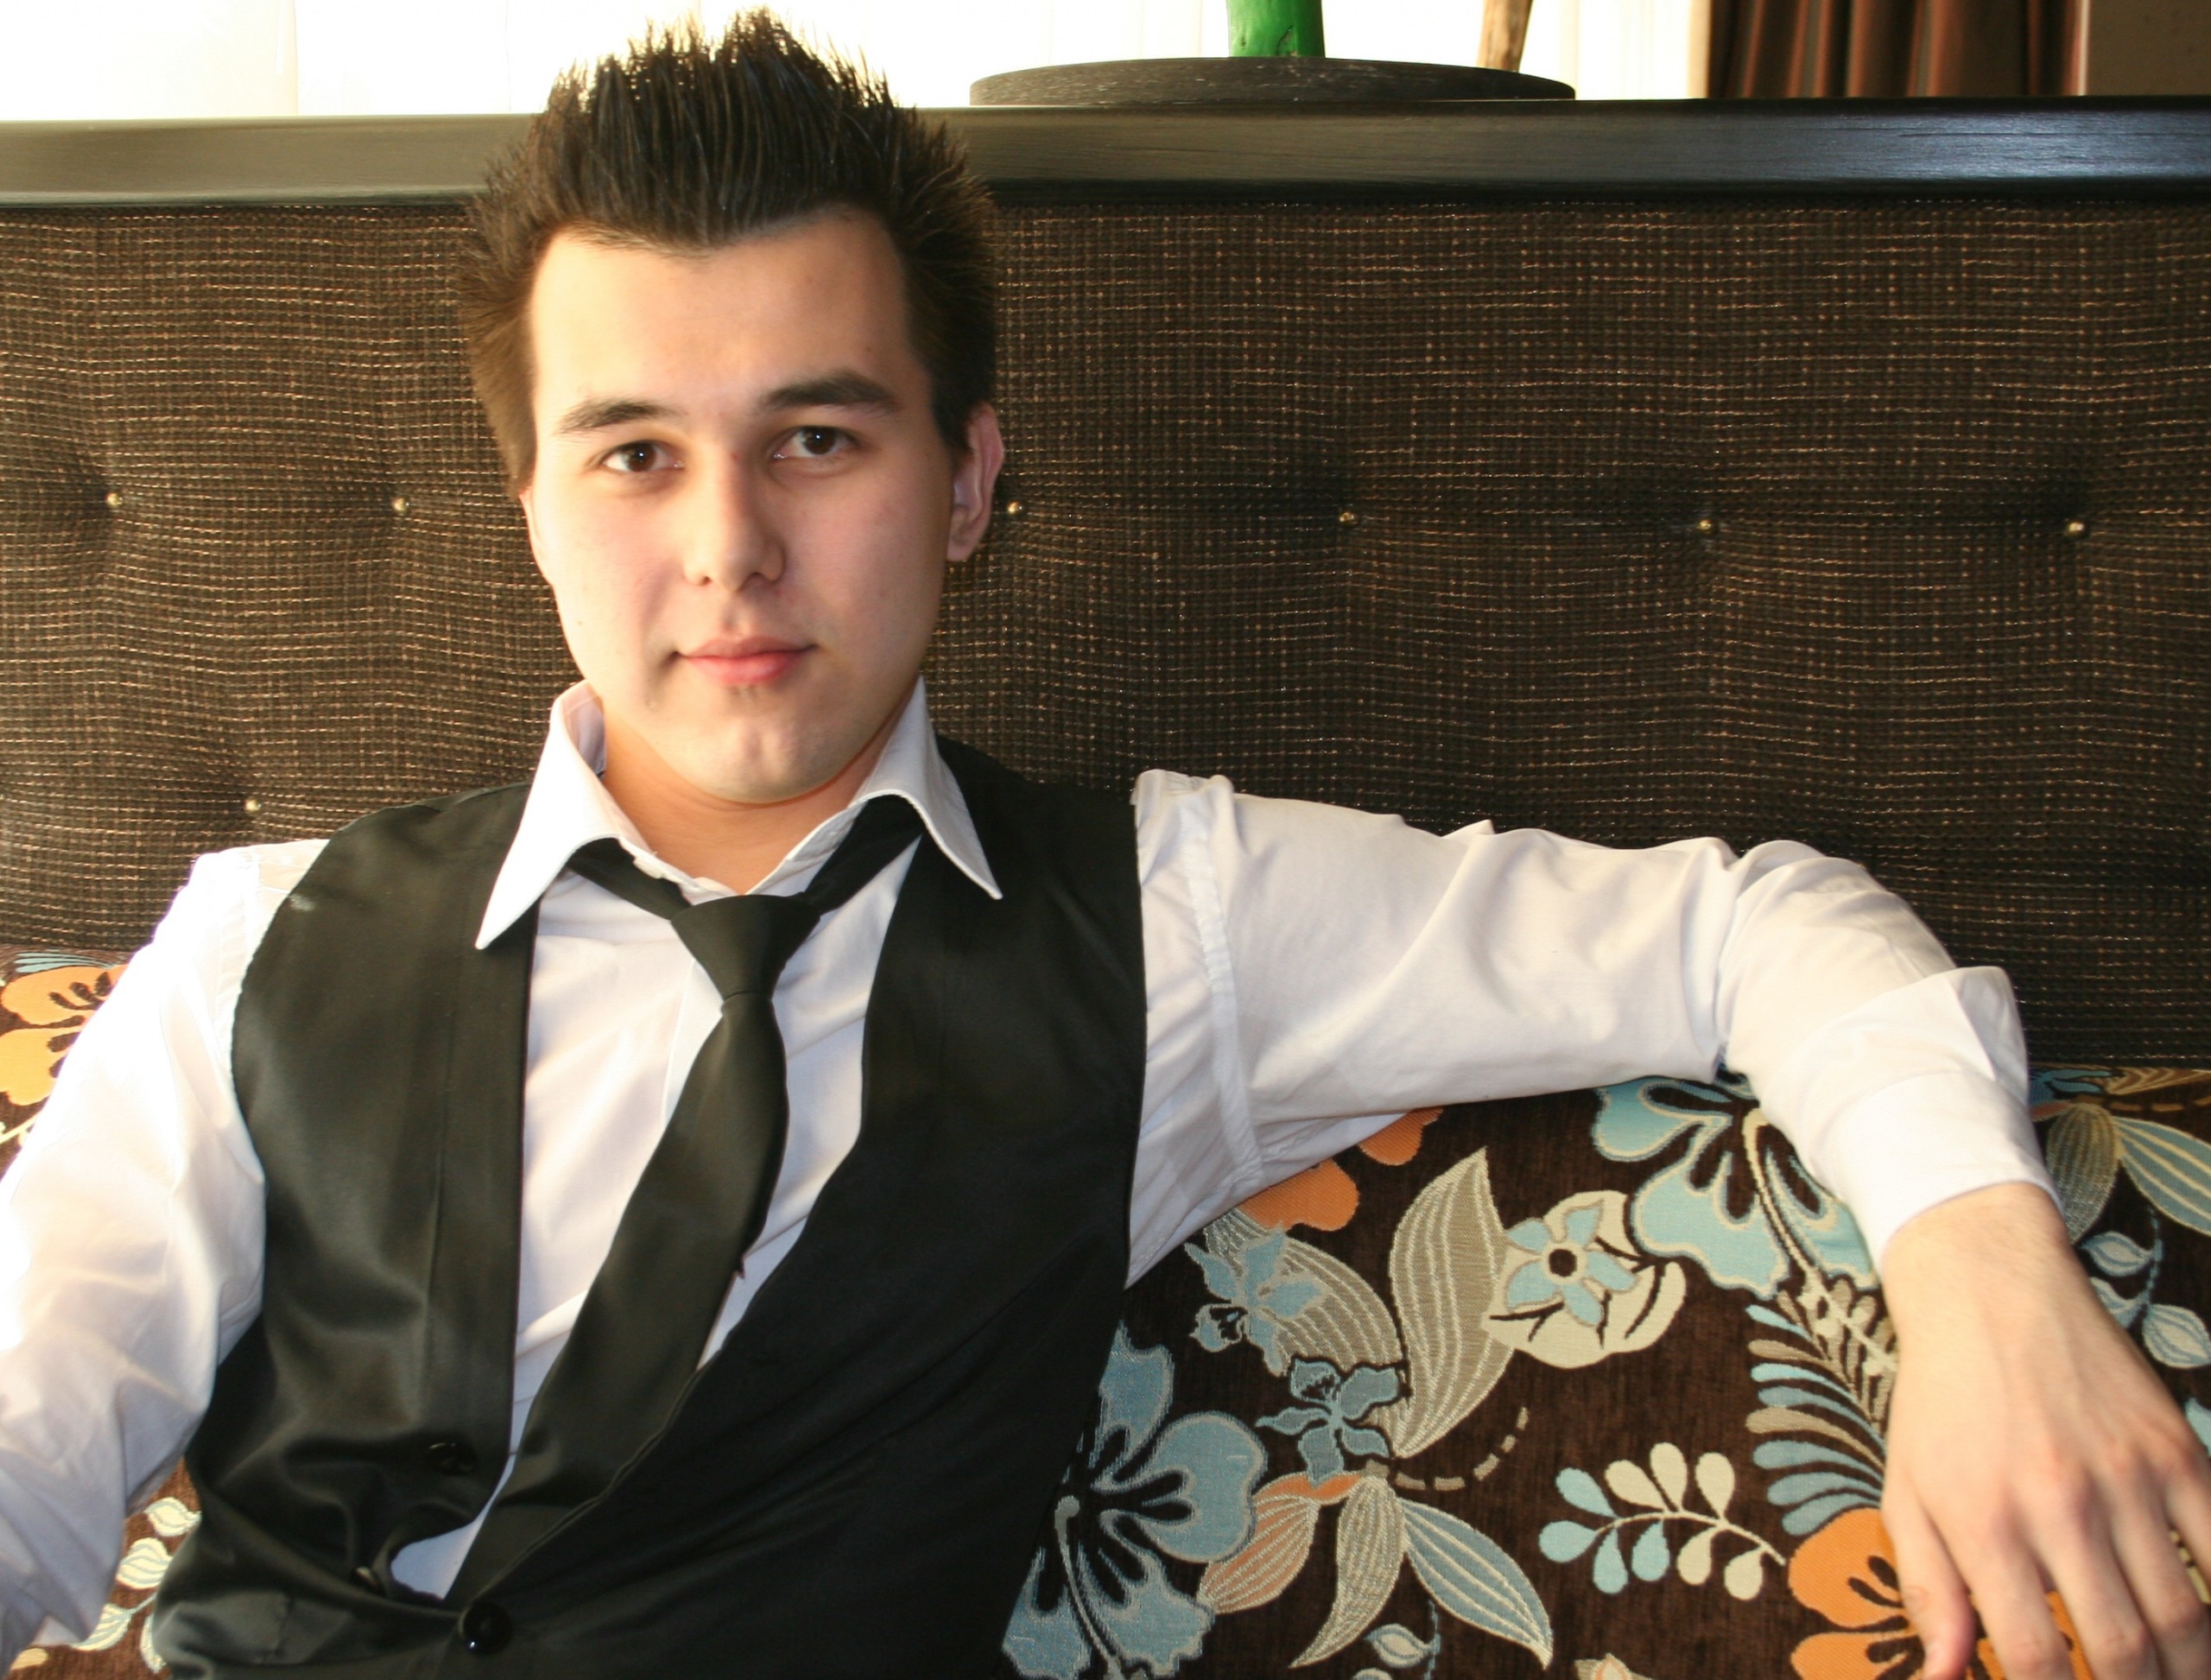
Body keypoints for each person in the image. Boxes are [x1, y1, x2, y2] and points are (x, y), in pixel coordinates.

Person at [1, 14, 2205, 1679]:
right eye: (634, 453)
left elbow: (1754, 926)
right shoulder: (256, 939)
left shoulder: (1174, 920)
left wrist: (1981, 1272)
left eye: (817, 438)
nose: (729, 546)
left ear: (965, 481)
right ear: (532, 510)